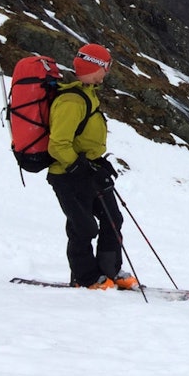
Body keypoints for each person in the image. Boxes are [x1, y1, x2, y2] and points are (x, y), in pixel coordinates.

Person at [46, 43, 137, 291]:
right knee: (83, 226)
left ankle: (111, 270)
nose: (107, 72)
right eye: (106, 67)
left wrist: (98, 162)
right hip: (68, 175)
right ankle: (84, 277)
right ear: (95, 66)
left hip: (90, 169)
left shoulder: (87, 93)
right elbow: (58, 145)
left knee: (112, 219)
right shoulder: (71, 101)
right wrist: (78, 167)